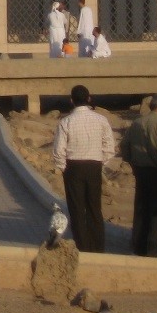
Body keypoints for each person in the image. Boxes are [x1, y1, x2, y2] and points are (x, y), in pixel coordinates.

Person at [52, 84, 116, 253]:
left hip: (74, 167)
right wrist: (101, 162)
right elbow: (109, 146)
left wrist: (63, 167)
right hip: (94, 166)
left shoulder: (66, 121)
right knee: (95, 207)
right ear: (89, 99)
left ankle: (82, 246)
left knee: (77, 208)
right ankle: (98, 247)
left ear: (71, 101)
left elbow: (59, 150)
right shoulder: (101, 120)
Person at [122, 94, 157, 257]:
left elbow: (124, 146)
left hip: (141, 172)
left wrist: (133, 163)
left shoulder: (137, 123)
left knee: (141, 209)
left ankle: (137, 247)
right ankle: (154, 249)